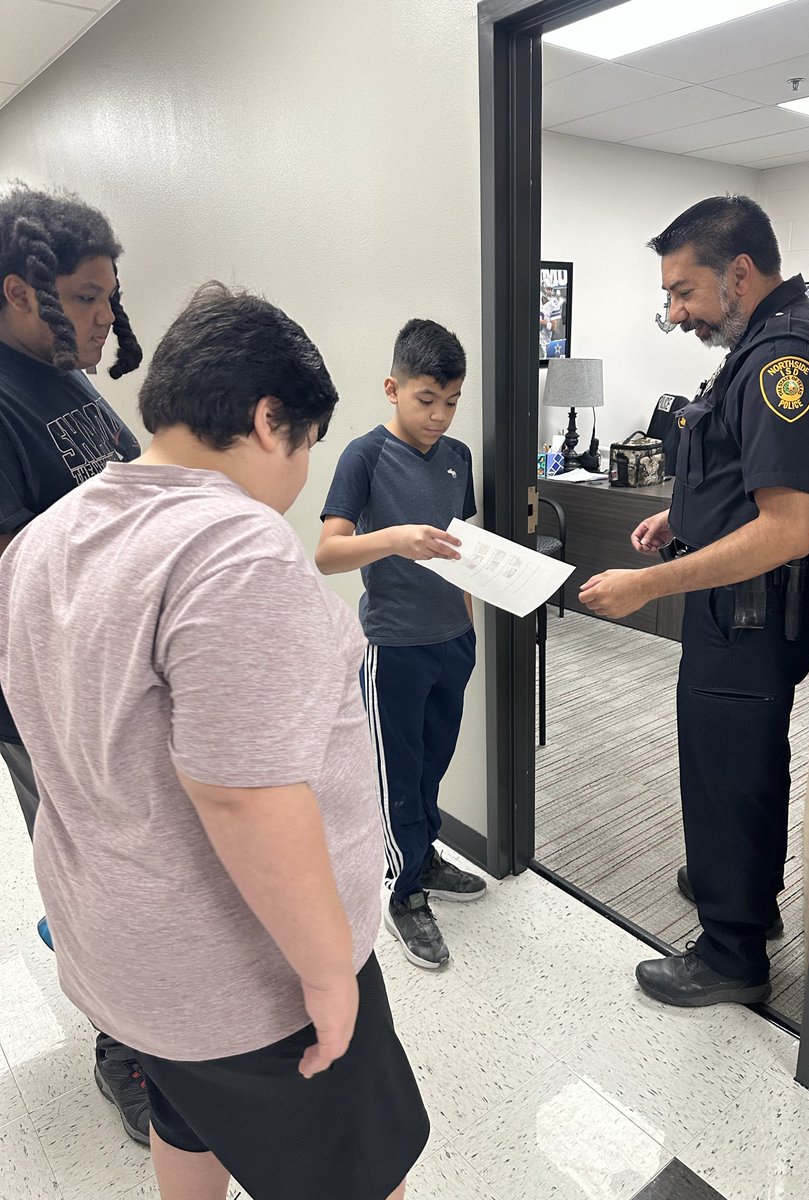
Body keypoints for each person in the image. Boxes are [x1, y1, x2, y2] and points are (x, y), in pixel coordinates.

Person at [0, 283, 429, 1200]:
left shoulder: (44, 540)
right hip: (244, 978)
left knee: (184, 1121)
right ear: (271, 420)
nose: (303, 470)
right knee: (359, 1179)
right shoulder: (234, 550)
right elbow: (245, 794)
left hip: (122, 955)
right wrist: (327, 977)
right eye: (307, 443)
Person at [578, 195, 809, 1006]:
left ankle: (731, 954)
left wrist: (647, 587)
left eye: (684, 292)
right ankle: (739, 896)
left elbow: (786, 528)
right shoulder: (772, 338)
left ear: (739, 272)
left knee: (726, 770)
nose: (676, 313)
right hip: (748, 608)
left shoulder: (785, 359)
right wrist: (685, 515)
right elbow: (753, 477)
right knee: (739, 763)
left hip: (748, 611)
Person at [0, 185, 151, 1142]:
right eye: (88, 299)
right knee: (94, 881)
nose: (105, 319)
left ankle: (151, 1018)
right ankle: (121, 1049)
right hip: (47, 707)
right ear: (20, 292)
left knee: (138, 871)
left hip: (114, 688)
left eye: (107, 296)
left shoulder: (67, 376)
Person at [317, 318, 485, 970]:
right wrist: (395, 538)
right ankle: (403, 892)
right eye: (425, 401)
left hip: (452, 642)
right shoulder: (364, 456)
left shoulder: (457, 456)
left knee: (432, 765)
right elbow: (328, 553)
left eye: (451, 401)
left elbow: (462, 551)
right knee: (398, 780)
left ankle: (426, 858)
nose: (440, 416)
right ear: (392, 388)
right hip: (394, 648)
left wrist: (468, 628)